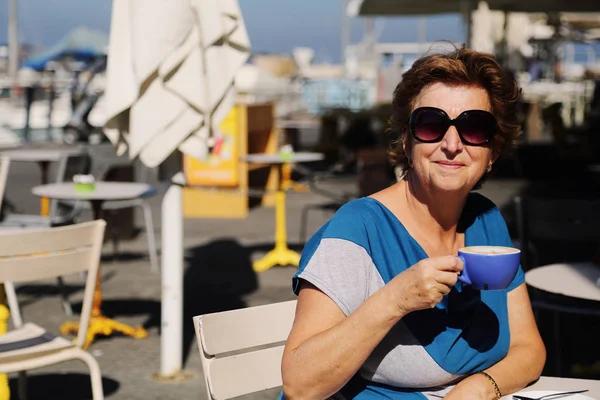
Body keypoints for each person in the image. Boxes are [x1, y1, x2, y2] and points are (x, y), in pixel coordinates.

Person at [281, 47, 546, 400]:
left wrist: (479, 388)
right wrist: (396, 299)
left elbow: (529, 348)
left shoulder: (486, 220)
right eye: (431, 124)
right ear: (407, 140)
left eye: (474, 127)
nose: (452, 144)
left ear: (492, 152)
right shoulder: (358, 231)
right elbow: (299, 385)